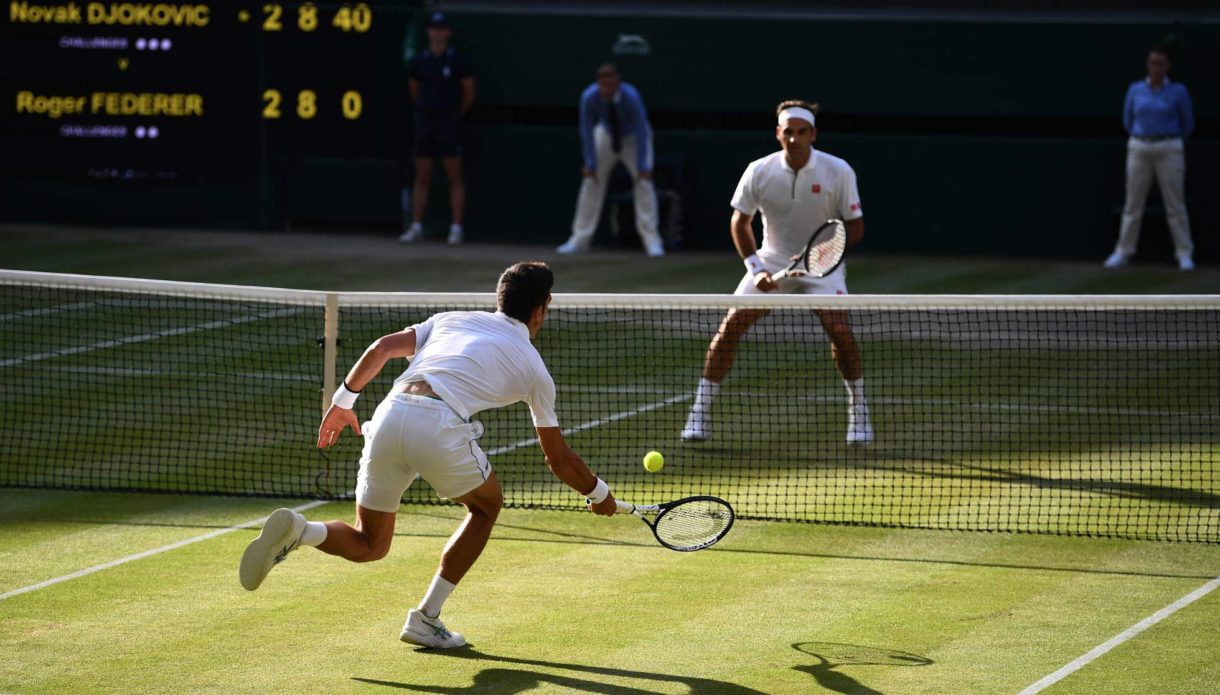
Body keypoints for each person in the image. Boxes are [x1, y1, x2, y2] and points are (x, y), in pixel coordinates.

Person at [238, 261, 618, 649]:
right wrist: (599, 494)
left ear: (499, 299)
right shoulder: (534, 368)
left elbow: (382, 347)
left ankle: (303, 531)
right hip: (438, 425)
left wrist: (342, 402)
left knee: (370, 543)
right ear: (540, 311)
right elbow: (558, 459)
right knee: (486, 507)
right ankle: (426, 617)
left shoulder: (451, 319)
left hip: (388, 415)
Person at [680, 100, 873, 445]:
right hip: (771, 259)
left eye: (802, 132)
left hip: (823, 263)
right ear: (778, 134)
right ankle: (699, 413)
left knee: (840, 331)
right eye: (789, 132)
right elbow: (739, 221)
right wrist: (755, 268)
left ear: (813, 134)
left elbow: (855, 228)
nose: (795, 138)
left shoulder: (838, 170)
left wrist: (821, 255)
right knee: (731, 327)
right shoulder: (759, 170)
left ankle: (859, 413)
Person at [556, 64, 666, 258]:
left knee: (644, 183)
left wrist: (643, 165)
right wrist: (590, 162)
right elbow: (586, 130)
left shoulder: (631, 96)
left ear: (617, 82)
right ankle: (579, 240)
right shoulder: (589, 97)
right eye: (603, 85)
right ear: (598, 84)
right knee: (591, 182)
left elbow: (641, 129)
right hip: (606, 135)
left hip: (633, 137)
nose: (606, 89)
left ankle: (652, 241)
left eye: (610, 85)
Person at [1104, 43, 1196, 271]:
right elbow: (1128, 120)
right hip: (1139, 147)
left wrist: (1168, 139)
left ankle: (1184, 253)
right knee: (1132, 204)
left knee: (1175, 204)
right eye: (1153, 63)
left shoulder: (1178, 91)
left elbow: (1188, 123)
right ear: (1147, 64)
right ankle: (1123, 251)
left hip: (1169, 148)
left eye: (1161, 64)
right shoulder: (1135, 89)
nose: (1156, 68)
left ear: (1167, 67)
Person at [399, 11, 475, 246]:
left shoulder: (458, 62)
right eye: (433, 28)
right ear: (429, 31)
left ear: (448, 32)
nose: (437, 32)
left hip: (448, 123)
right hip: (425, 122)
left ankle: (456, 229)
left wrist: (452, 115)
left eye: (441, 28)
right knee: (422, 175)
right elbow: (414, 91)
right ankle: (417, 226)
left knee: (454, 176)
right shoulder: (419, 62)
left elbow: (468, 94)